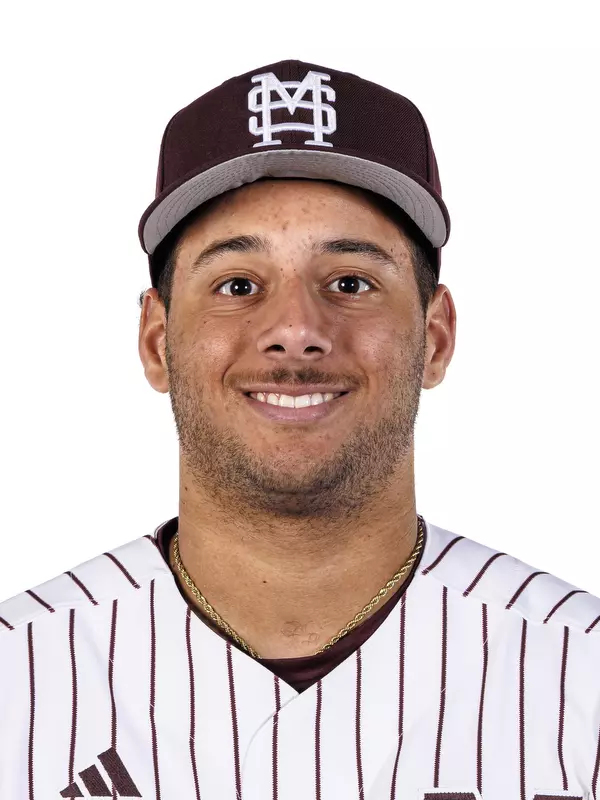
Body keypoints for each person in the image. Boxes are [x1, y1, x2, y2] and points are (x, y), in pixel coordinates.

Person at [1, 59, 599, 800]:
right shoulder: (17, 679)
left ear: (435, 338)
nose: (295, 330)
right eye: (237, 285)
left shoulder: (583, 679)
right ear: (157, 342)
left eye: (350, 282)